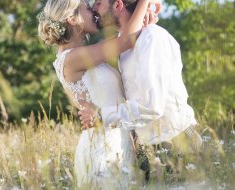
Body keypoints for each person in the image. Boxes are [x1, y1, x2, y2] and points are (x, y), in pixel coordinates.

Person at [37, 0, 161, 188]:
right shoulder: (71, 59)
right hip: (101, 148)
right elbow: (126, 40)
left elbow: (126, 36)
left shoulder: (87, 53)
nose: (94, 11)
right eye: (87, 8)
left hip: (120, 142)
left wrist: (144, 18)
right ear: (72, 18)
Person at [79, 0, 203, 181]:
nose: (94, 8)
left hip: (176, 144)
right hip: (148, 148)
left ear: (118, 5)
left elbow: (152, 105)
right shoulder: (127, 41)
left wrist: (101, 115)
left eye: (98, 2)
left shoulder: (151, 38)